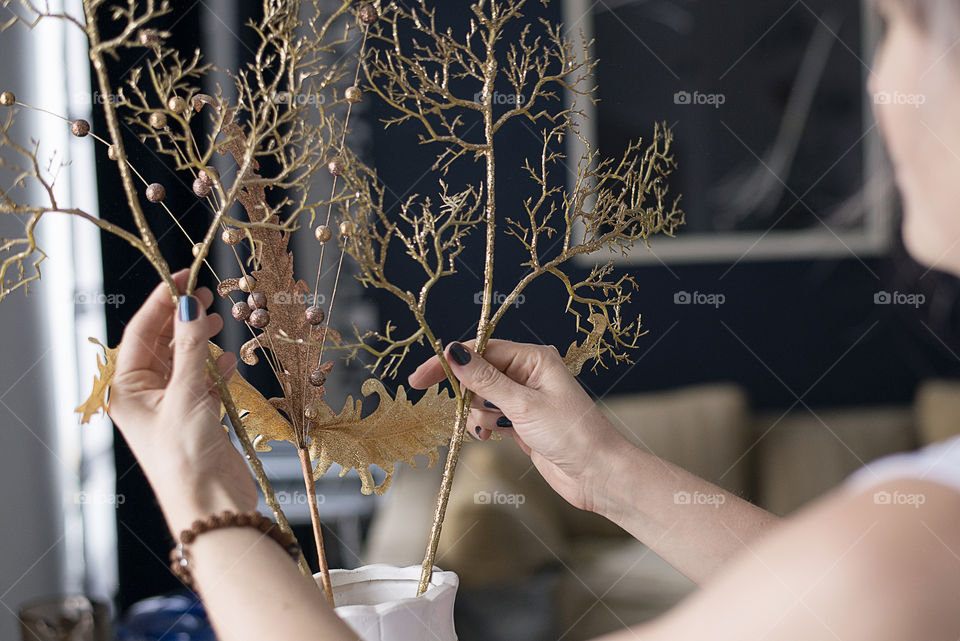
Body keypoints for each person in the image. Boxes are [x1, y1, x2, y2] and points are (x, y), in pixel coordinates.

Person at [107, 0, 960, 638]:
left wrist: (200, 491)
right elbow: (820, 592)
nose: (880, 81)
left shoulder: (918, 550)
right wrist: (603, 466)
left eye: (894, 24)